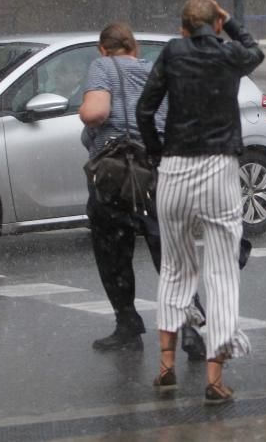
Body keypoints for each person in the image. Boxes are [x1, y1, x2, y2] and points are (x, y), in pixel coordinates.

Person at [136, 0, 263, 405]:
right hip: (218, 168)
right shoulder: (228, 55)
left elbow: (144, 110)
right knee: (222, 272)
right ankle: (214, 378)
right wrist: (231, 24)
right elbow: (255, 52)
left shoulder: (172, 54)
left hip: (174, 168)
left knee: (174, 268)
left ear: (182, 27)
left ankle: (166, 368)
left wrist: (158, 152)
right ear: (216, 24)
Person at [78, 22, 208, 358]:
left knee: (113, 252)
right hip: (157, 173)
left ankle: (128, 324)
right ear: (134, 49)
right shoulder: (154, 72)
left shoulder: (102, 66)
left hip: (116, 176)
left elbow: (96, 111)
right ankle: (192, 329)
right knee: (169, 254)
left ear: (103, 49)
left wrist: (86, 116)